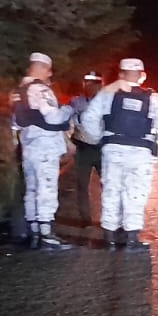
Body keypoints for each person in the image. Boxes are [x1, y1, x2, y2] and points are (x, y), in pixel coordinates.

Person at [78, 57, 158, 250]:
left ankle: (110, 238)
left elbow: (89, 118)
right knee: (136, 193)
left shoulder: (107, 93)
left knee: (111, 191)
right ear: (142, 76)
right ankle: (131, 239)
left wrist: (100, 137)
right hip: (141, 151)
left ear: (121, 74)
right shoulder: (152, 97)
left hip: (112, 149)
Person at [14, 52, 75, 249]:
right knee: (46, 189)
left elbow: (15, 124)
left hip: (29, 147)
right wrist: (68, 109)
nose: (50, 75)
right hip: (45, 147)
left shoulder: (19, 91)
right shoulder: (40, 89)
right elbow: (53, 118)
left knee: (31, 189)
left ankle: (34, 233)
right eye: (49, 70)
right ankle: (47, 235)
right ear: (42, 68)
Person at [67, 71, 104, 223]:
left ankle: (110, 220)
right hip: (82, 147)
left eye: (93, 83)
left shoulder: (108, 102)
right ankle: (85, 219)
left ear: (100, 85)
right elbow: (67, 122)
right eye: (86, 83)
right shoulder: (76, 102)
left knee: (109, 185)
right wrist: (68, 143)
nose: (89, 86)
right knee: (82, 185)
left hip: (103, 148)